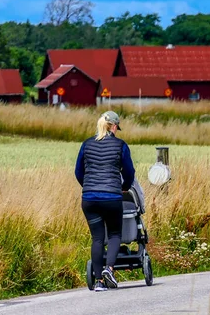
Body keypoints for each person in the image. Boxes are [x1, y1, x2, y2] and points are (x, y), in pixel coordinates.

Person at [75, 111, 135, 292]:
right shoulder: (120, 145)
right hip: (112, 198)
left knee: (98, 238)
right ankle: (109, 269)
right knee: (115, 234)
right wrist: (125, 186)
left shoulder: (86, 144)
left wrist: (88, 186)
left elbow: (78, 172)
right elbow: (129, 172)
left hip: (90, 199)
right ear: (115, 126)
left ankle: (99, 281)